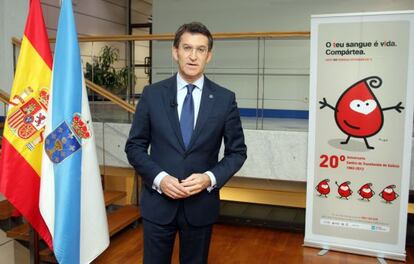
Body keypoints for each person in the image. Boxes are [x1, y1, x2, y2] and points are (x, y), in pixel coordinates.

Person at [125, 21, 247, 264]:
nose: (193, 56)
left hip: (200, 207)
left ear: (209, 56)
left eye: (200, 50)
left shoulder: (224, 99)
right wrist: (160, 179)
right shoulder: (152, 94)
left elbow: (237, 153)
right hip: (158, 205)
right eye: (187, 48)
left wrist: (209, 178)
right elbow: (134, 147)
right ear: (175, 52)